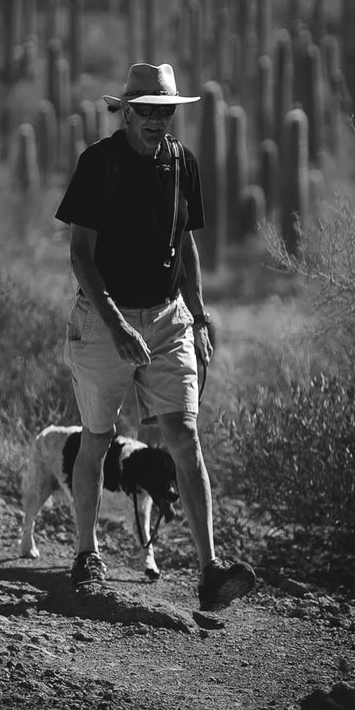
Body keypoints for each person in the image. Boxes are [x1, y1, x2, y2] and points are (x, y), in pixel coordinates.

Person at [53, 61, 258, 613]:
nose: (157, 119)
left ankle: (210, 570)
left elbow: (185, 242)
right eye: (146, 110)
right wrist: (117, 324)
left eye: (165, 111)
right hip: (103, 319)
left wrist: (198, 311)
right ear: (126, 112)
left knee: (184, 438)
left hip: (169, 319)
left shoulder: (181, 163)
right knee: (96, 438)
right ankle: (86, 554)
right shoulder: (98, 164)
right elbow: (80, 253)